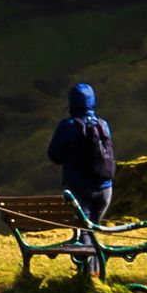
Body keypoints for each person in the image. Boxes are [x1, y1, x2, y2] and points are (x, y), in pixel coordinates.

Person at [47, 83, 118, 228]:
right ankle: (92, 250)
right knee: (93, 230)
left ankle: (86, 250)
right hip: (105, 187)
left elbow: (54, 155)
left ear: (72, 102)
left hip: (79, 188)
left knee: (83, 231)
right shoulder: (103, 124)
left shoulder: (68, 125)